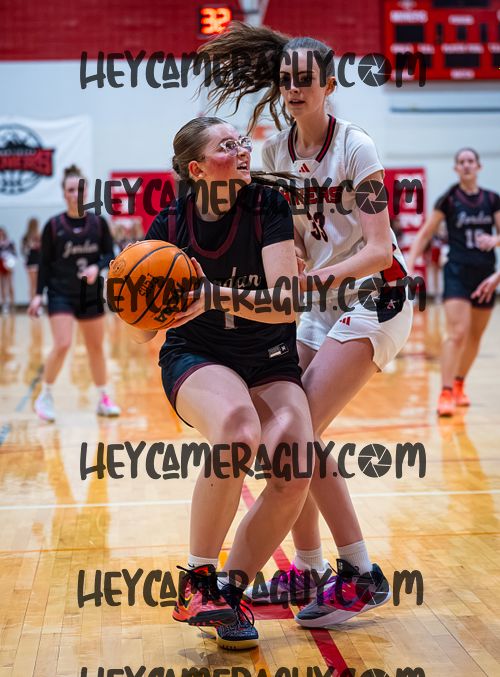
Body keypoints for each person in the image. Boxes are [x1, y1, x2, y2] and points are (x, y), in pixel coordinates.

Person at [197, 22, 414, 628]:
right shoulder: (273, 154)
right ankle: (309, 568)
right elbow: (291, 237)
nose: (294, 89)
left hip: (375, 296)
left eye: (305, 80)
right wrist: (284, 256)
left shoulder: (356, 148)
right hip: (318, 305)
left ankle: (360, 573)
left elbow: (378, 248)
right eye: (286, 79)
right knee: (291, 439)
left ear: (328, 86)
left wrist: (313, 279)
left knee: (301, 431)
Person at [124, 116, 315, 650]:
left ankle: (228, 592)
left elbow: (287, 304)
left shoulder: (268, 206)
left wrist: (214, 294)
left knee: (295, 468)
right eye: (228, 146)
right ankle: (198, 577)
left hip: (269, 356)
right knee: (236, 429)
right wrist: (134, 300)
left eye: (241, 141)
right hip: (198, 354)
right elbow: (142, 334)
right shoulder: (169, 226)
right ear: (198, 169)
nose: (243, 150)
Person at [406, 148, 500, 417]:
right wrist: (409, 266)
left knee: (475, 336)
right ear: (456, 168)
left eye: (471, 161)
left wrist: (495, 240)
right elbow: (425, 233)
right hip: (457, 273)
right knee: (457, 333)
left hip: (485, 275)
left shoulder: (492, 199)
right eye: (461, 162)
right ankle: (445, 392)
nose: (466, 165)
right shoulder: (449, 199)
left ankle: (459, 383)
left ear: (479, 167)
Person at [28, 165, 121, 422]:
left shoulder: (98, 223)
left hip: (89, 294)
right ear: (64, 193)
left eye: (79, 189)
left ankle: (103, 397)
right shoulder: (53, 226)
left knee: (95, 347)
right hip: (60, 292)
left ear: (86, 191)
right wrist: (38, 294)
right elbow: (44, 263)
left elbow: (109, 254)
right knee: (63, 343)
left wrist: (97, 267)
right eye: (70, 190)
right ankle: (45, 395)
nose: (75, 194)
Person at [21, 218, 41, 302]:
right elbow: (23, 251)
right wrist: (31, 245)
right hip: (31, 262)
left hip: (37, 261)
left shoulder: (39, 236)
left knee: (36, 285)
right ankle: (32, 303)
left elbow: (43, 249)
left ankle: (35, 303)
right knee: (33, 284)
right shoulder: (26, 237)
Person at [0, 227, 17, 314]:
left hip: (9, 264)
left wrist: (10, 262)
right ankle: (4, 304)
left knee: (10, 284)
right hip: (1, 264)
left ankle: (12, 304)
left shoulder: (10, 242)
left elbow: (15, 253)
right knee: (2, 285)